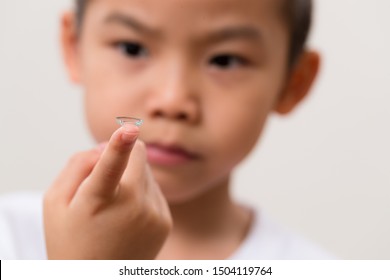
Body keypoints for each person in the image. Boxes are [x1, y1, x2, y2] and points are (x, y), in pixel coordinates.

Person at [0, 0, 334, 259]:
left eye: (225, 60)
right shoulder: (10, 239)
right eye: (133, 48)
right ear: (74, 47)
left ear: (294, 83)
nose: (172, 101)